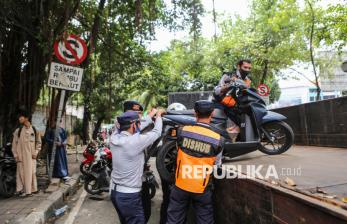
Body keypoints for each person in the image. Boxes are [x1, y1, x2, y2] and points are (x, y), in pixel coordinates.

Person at [166, 100, 224, 224]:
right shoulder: (218, 140)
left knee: (174, 220)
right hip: (201, 188)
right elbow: (217, 165)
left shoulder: (182, 131)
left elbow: (176, 151)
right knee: (205, 220)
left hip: (181, 184)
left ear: (195, 113)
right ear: (212, 113)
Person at [110, 109, 164, 224]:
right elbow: (157, 132)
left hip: (115, 192)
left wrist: (150, 114)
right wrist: (158, 116)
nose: (140, 125)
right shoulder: (135, 141)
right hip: (129, 196)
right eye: (138, 123)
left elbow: (130, 125)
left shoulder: (114, 137)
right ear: (133, 125)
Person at [213, 59, 252, 126]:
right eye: (245, 67)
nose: (247, 70)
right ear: (239, 67)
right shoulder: (228, 75)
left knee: (241, 124)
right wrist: (228, 86)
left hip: (233, 107)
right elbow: (216, 91)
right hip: (220, 104)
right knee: (219, 124)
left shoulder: (248, 81)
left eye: (249, 68)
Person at [12, 111, 42, 197]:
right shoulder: (18, 131)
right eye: (19, 117)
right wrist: (16, 155)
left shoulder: (35, 130)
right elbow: (14, 144)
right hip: (21, 157)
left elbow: (39, 143)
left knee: (31, 173)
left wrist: (36, 153)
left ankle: (32, 190)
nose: (19, 119)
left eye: (21, 117)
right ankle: (23, 191)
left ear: (26, 118)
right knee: (21, 173)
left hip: (31, 157)